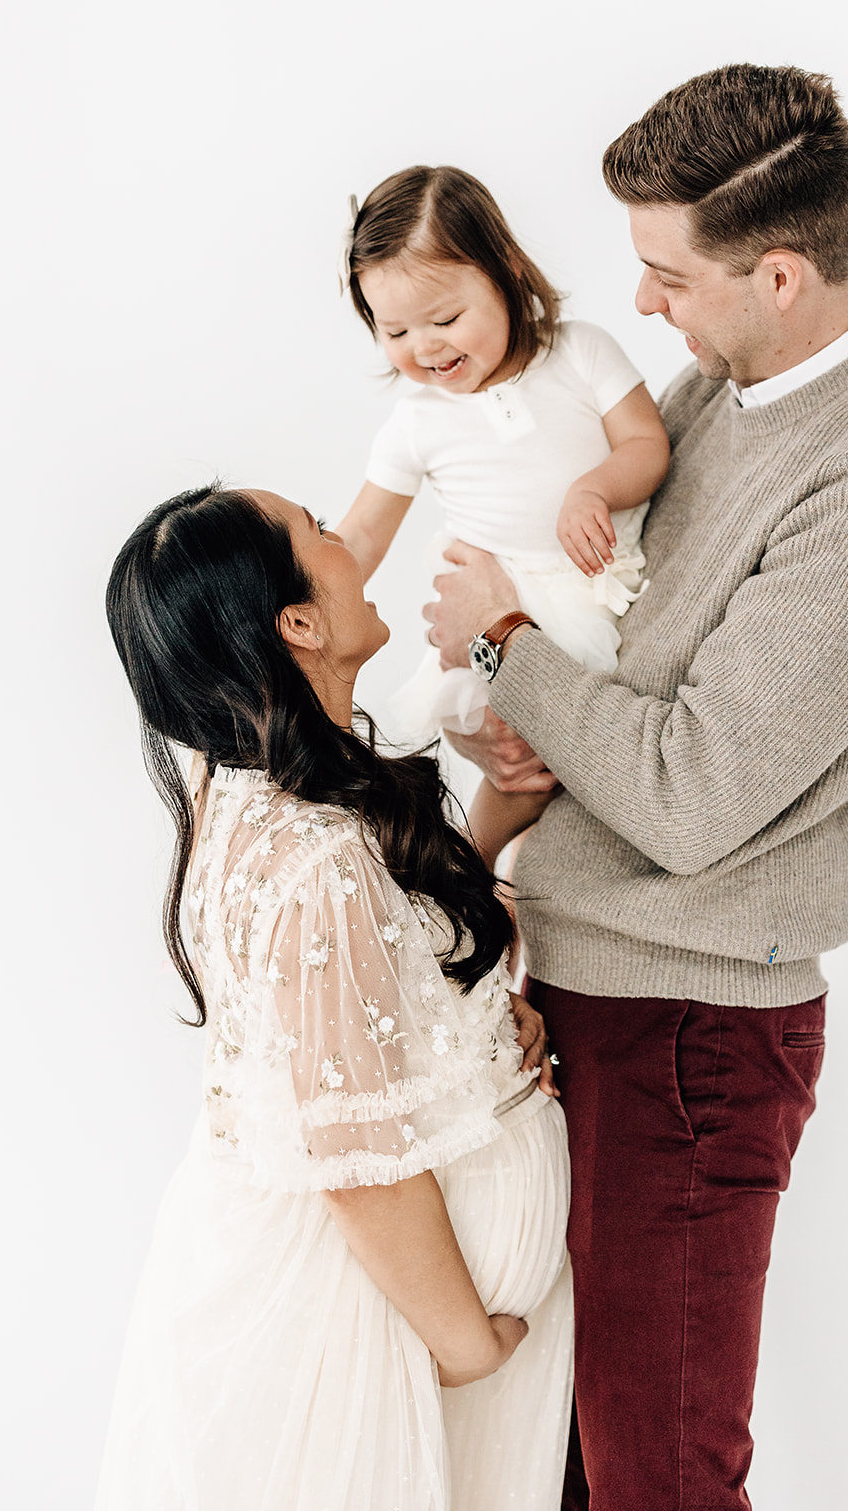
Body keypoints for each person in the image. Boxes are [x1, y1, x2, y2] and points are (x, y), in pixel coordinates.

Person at [422, 64, 848, 1510]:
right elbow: (624, 633)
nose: (644, 307)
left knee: (656, 1478)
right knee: (553, 1462)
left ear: (781, 274)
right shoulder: (721, 383)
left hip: (684, 1038)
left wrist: (503, 645)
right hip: (585, 988)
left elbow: (688, 793)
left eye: (664, 274)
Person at [96, 486, 574, 1511]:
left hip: (379, 1315)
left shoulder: (250, 790)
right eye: (318, 527)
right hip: (374, 1334)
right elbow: (350, 1153)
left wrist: (484, 1010)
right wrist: (465, 1344)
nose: (347, 539)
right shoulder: (310, 857)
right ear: (298, 623)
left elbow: (372, 986)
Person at [335, 165, 670, 868]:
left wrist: (593, 489)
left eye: (445, 319)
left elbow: (646, 445)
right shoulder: (415, 423)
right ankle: (467, 865)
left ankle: (514, 884)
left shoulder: (579, 352)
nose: (423, 347)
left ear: (507, 272)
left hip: (600, 584)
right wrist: (289, 595)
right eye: (393, 330)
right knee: (520, 762)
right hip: (501, 600)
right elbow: (363, 532)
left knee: (596, 762)